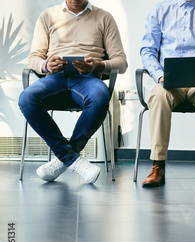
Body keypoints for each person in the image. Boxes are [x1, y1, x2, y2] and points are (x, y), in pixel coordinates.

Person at [18, 0, 127, 184]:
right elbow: (34, 57)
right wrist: (45, 65)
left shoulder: (104, 17)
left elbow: (121, 62)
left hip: (88, 79)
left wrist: (98, 65)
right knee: (26, 98)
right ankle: (72, 159)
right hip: (55, 78)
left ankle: (64, 159)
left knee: (100, 96)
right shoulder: (48, 16)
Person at [140, 0, 195, 188]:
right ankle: (158, 165)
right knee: (158, 97)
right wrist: (159, 75)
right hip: (169, 82)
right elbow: (148, 50)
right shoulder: (160, 9)